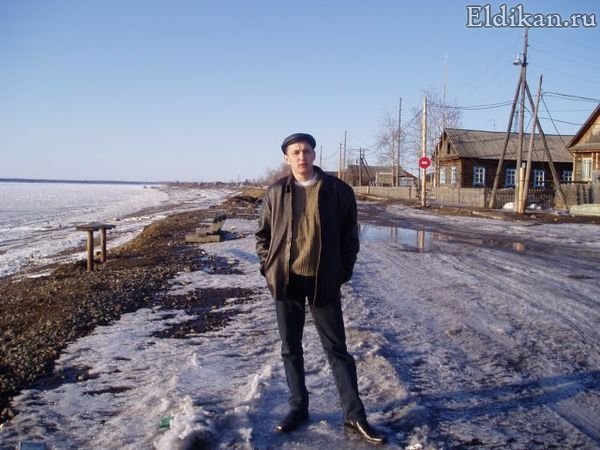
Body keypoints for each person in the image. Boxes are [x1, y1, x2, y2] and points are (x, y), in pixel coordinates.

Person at [255, 133, 386, 445]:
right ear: (286, 158)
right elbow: (263, 236)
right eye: (295, 152)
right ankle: (298, 408)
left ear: (314, 155)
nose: (302, 156)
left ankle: (354, 415)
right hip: (287, 280)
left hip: (323, 280)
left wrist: (342, 272)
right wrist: (269, 269)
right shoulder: (276, 192)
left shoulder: (338, 191)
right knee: (290, 348)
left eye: (307, 151)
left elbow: (350, 237)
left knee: (337, 349)